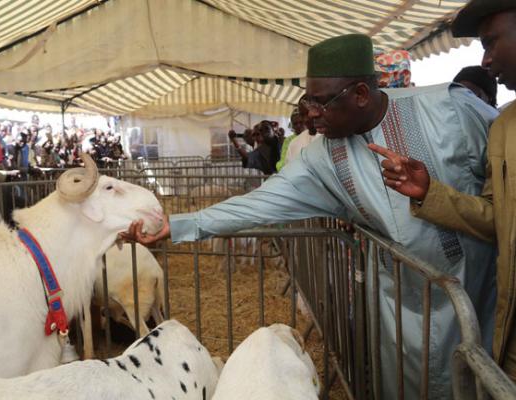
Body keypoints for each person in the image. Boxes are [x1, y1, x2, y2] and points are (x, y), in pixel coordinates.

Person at [123, 34, 498, 399]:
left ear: (361, 95)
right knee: (400, 385)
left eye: (322, 103)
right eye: (308, 101)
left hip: (476, 289)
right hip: (395, 302)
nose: (312, 116)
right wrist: (182, 224)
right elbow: (262, 202)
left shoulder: (451, 107)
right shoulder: (323, 157)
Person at [369, 0, 516, 382]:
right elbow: (493, 219)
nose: (484, 60)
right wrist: (428, 193)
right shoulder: (505, 127)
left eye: (491, 42)